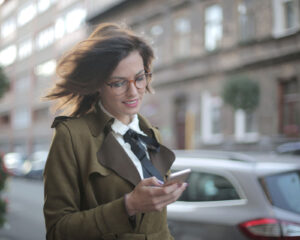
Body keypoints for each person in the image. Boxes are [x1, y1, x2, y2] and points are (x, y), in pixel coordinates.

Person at [43, 22, 187, 240]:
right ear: (98, 85)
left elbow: (158, 226)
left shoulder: (151, 133)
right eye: (119, 83)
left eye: (139, 78)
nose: (133, 92)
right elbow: (57, 230)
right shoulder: (71, 136)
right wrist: (128, 205)